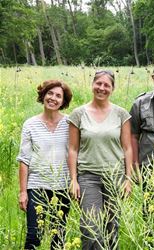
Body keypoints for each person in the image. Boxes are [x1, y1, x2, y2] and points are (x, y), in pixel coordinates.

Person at [68, 70, 133, 249]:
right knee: (91, 229)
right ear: (93, 84)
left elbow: (127, 148)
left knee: (112, 228)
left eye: (107, 85)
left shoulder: (121, 114)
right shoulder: (78, 114)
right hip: (88, 177)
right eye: (99, 83)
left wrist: (128, 179)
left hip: (115, 177)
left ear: (112, 89)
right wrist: (73, 179)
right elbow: (72, 149)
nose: (102, 88)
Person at [17, 80, 73, 250]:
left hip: (62, 187)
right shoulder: (30, 124)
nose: (53, 98)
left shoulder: (70, 123)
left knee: (58, 236)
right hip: (36, 187)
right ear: (43, 95)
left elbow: (75, 154)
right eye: (50, 93)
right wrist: (23, 192)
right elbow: (24, 159)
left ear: (63, 101)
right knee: (34, 236)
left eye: (58, 96)